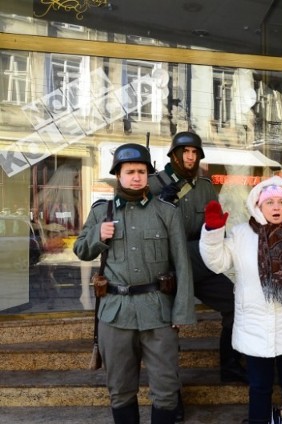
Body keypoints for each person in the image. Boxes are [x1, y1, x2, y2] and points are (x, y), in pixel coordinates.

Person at [199, 176, 282, 424]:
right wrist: (212, 233)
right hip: (254, 329)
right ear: (258, 206)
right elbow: (217, 262)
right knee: (259, 389)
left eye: (281, 202)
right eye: (269, 202)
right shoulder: (241, 235)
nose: (276, 207)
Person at [73, 143, 196, 424]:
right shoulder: (101, 212)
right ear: (118, 175)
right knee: (120, 390)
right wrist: (98, 237)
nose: (136, 177)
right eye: (130, 171)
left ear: (148, 175)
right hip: (115, 315)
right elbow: (81, 250)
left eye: (141, 171)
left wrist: (181, 312)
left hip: (159, 314)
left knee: (166, 390)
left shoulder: (166, 212)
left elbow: (182, 265)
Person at [148, 131, 247, 387]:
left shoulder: (204, 186)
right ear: (174, 155)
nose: (190, 157)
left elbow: (215, 227)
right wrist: (160, 203)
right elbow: (143, 229)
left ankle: (231, 370)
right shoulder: (154, 184)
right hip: (166, 268)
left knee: (237, 304)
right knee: (165, 329)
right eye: (185, 152)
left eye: (195, 152)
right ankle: (170, 393)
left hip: (200, 263)